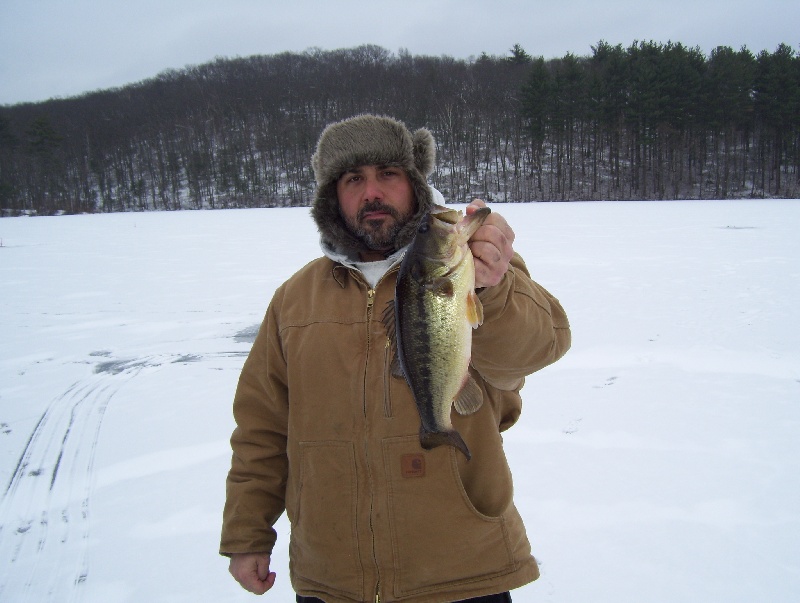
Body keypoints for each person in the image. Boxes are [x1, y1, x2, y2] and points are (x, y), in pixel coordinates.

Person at [220, 114, 571, 603]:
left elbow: (542, 345)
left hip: (464, 570)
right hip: (332, 579)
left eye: (388, 173)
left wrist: (493, 288)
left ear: (414, 183)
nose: (372, 193)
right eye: (353, 179)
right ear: (332, 197)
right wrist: (247, 532)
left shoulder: (475, 269)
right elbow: (261, 426)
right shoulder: (294, 300)